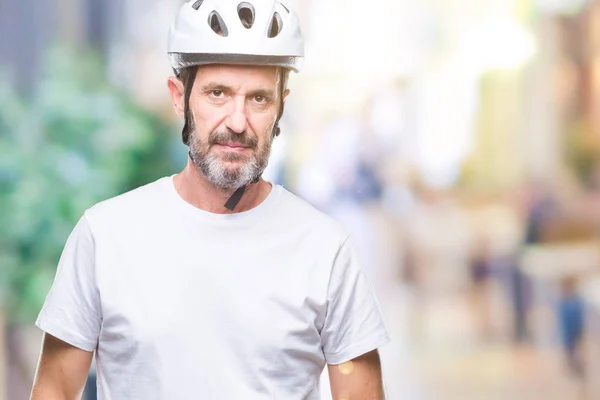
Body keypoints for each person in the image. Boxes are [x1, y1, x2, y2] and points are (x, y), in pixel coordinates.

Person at [29, 1, 391, 399]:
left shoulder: (325, 249)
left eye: (258, 99)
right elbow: (55, 391)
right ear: (178, 98)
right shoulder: (104, 236)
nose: (237, 122)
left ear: (280, 106)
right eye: (217, 93)